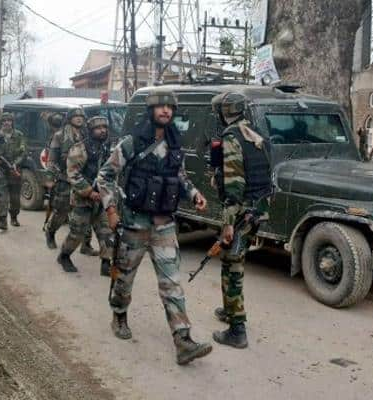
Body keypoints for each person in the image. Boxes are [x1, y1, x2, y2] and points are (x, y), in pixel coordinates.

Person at [96, 88, 212, 365]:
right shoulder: (131, 142)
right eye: (161, 107)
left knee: (171, 283)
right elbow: (105, 176)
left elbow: (180, 176)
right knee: (124, 278)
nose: (166, 111)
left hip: (164, 225)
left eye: (170, 108)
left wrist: (194, 193)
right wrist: (111, 210)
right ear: (151, 111)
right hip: (134, 223)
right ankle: (119, 315)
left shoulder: (175, 144)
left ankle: (183, 340)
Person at [209, 92, 273, 349]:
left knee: (232, 265)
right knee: (235, 259)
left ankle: (237, 330)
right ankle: (229, 310)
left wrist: (227, 222)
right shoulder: (254, 134)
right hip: (258, 209)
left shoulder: (232, 137)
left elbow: (234, 184)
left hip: (241, 212)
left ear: (224, 112)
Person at [56, 116, 113, 275]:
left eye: (104, 127)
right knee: (77, 233)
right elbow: (72, 174)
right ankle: (64, 256)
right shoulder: (80, 148)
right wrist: (89, 192)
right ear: (90, 130)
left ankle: (106, 263)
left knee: (106, 232)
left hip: (101, 198)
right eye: (98, 128)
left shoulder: (107, 148)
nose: (102, 130)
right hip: (83, 199)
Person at [45, 108, 97, 255]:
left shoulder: (88, 134)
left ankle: (85, 244)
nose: (79, 119)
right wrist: (49, 178)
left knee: (85, 212)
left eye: (81, 116)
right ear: (69, 118)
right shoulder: (60, 135)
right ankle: (50, 232)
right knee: (61, 211)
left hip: (84, 180)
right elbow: (52, 159)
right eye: (76, 116)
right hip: (65, 179)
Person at [0, 112, 26, 230]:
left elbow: (23, 152)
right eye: (4, 121)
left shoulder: (19, 135)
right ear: (1, 122)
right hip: (1, 170)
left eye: (9, 120)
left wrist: (16, 163)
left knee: (15, 197)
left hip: (15, 170)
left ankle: (14, 217)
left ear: (12, 122)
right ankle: (2, 220)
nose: (6, 123)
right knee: (2, 196)